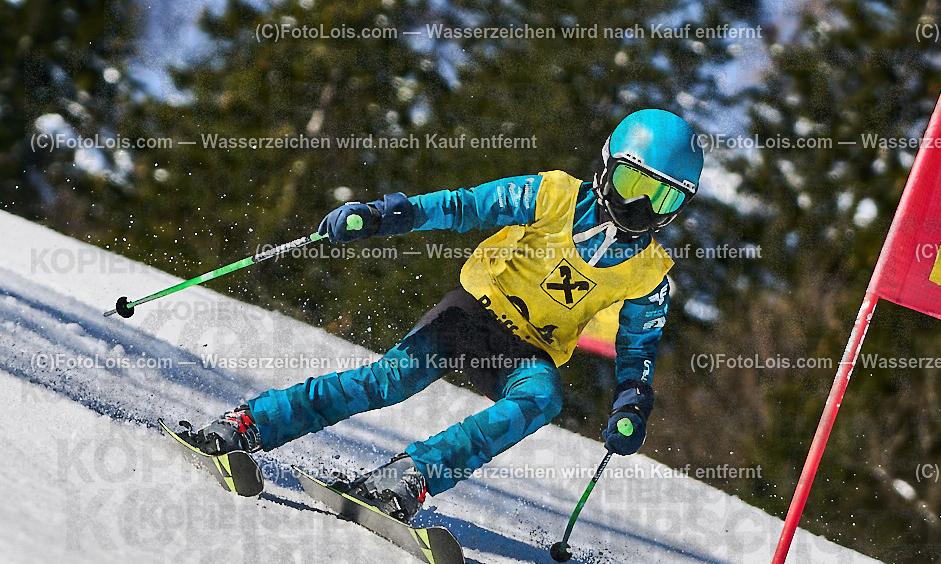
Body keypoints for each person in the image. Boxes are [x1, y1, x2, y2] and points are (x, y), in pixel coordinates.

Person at [193, 108, 704, 522]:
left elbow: (638, 349)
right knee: (391, 380)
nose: (639, 206)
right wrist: (384, 215)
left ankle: (410, 476)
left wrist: (631, 402)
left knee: (542, 397)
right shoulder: (552, 196)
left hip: (527, 351)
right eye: (631, 182)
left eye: (661, 196)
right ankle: (250, 423)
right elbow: (466, 206)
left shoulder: (650, 272)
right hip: (473, 312)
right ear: (607, 166)